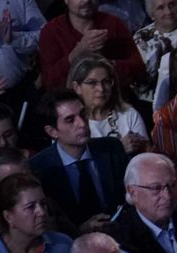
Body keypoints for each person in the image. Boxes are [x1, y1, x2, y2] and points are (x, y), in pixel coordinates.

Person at [30, 89, 131, 228]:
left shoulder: (111, 149)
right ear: (52, 131)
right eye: (70, 120)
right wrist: (78, 231)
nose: (82, 124)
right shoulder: (39, 168)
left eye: (83, 115)